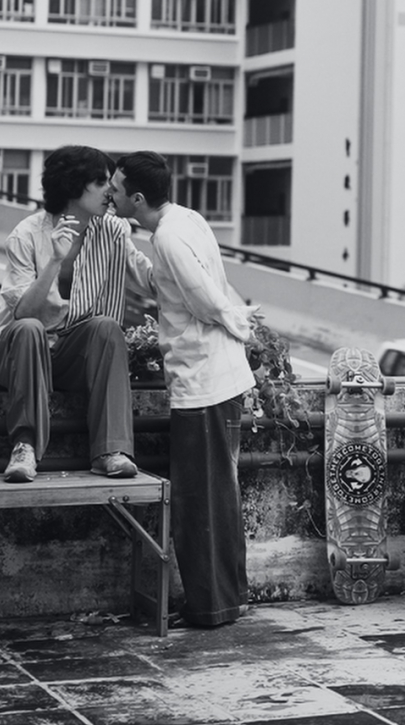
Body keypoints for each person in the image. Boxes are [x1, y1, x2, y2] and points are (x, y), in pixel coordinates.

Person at [108, 150, 255, 627]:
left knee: (200, 504)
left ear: (137, 198)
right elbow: (164, 286)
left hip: (204, 382)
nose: (109, 194)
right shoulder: (183, 221)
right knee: (218, 498)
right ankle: (227, 599)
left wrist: (237, 322)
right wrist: (125, 247)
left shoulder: (170, 237)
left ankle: (211, 607)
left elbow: (204, 299)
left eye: (115, 188)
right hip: (215, 380)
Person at [0, 145, 153, 483]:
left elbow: (149, 279)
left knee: (106, 327)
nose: (110, 191)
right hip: (14, 353)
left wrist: (171, 235)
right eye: (101, 182)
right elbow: (23, 312)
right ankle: (24, 447)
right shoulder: (27, 235)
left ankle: (111, 452)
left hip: (65, 356)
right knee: (30, 328)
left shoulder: (113, 231)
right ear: (73, 186)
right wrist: (55, 261)